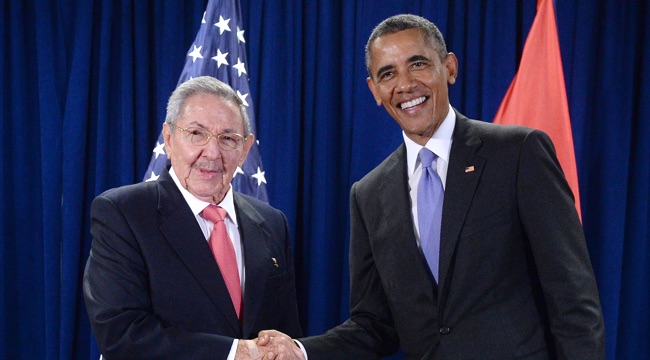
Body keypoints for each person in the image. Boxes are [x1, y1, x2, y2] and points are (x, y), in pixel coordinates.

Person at [257, 14, 605, 360]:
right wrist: (300, 351)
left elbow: (572, 295)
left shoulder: (518, 153)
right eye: (388, 74)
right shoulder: (368, 195)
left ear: (449, 68)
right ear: (374, 90)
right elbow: (375, 325)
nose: (405, 84)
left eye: (418, 64)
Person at [83, 76, 302, 359]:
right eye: (197, 134)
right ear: (169, 138)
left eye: (227, 139)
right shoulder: (123, 213)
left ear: (245, 150)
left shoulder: (272, 222)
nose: (211, 152)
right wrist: (235, 353)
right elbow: (121, 334)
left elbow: (286, 333)